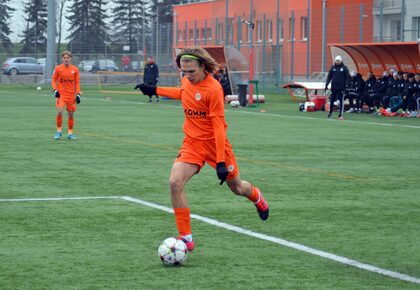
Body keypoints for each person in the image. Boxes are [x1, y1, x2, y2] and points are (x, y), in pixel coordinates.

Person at [134, 47, 269, 252]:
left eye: (191, 72)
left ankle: (257, 197)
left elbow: (218, 126)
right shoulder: (187, 81)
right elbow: (182, 92)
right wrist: (154, 90)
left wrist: (221, 161)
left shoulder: (214, 89)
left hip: (216, 145)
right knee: (174, 183)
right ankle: (186, 238)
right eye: (184, 72)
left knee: (237, 188)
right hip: (192, 144)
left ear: (203, 67)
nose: (187, 76)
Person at [51, 50, 81, 140]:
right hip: (61, 95)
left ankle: (70, 133)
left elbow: (77, 83)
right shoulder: (58, 68)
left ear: (70, 59)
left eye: (68, 58)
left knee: (71, 114)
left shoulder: (75, 69)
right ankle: (58, 131)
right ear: (62, 59)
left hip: (71, 96)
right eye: (64, 58)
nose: (66, 59)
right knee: (60, 111)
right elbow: (53, 80)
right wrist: (55, 90)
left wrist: (78, 94)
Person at [325, 55, 350, 119]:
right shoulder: (332, 68)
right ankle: (330, 113)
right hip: (334, 87)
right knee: (332, 100)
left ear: (341, 61)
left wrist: (347, 85)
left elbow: (347, 78)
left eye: (338, 60)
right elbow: (329, 77)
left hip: (341, 88)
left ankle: (340, 115)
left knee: (341, 101)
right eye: (336, 60)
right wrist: (326, 84)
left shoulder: (344, 68)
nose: (337, 62)